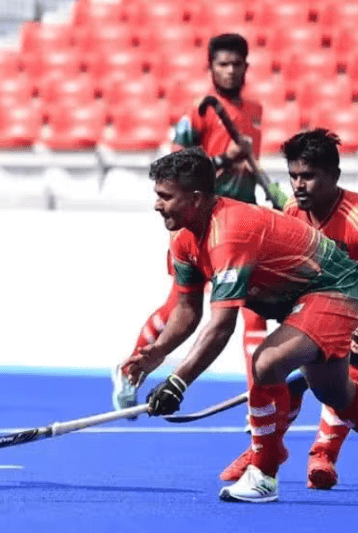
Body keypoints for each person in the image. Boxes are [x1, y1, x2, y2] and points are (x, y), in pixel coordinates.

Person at [123, 147, 358, 503]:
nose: (157, 204)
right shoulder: (183, 236)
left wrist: (177, 383)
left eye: (165, 196)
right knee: (335, 394)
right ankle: (269, 457)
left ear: (196, 199)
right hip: (301, 299)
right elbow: (187, 310)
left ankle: (264, 473)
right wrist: (158, 353)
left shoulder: (230, 233)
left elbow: (221, 327)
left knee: (266, 362)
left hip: (333, 289)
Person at [111, 33, 288, 422]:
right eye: (222, 64)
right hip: (200, 221)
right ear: (210, 68)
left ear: (246, 66)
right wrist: (225, 157)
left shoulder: (255, 110)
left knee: (253, 314)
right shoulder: (199, 112)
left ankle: (259, 401)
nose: (230, 70)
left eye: (236, 63)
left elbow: (249, 166)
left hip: (243, 224)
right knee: (180, 306)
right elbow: (177, 168)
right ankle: (131, 370)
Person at [218, 129, 357, 490]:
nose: (299, 184)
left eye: (308, 176)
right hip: (317, 315)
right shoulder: (293, 213)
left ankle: (323, 452)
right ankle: (267, 451)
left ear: (334, 176)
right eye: (293, 175)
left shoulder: (356, 219)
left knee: (340, 387)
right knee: (282, 377)